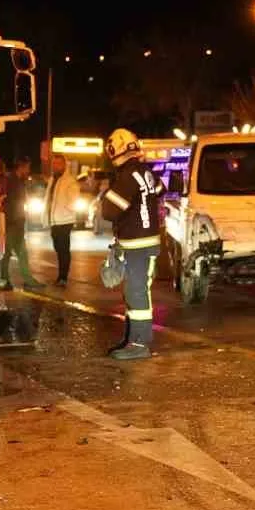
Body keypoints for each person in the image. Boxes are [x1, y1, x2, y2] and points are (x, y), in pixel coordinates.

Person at [100, 129, 164, 361]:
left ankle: (139, 343)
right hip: (141, 243)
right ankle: (131, 338)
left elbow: (109, 211)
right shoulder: (145, 172)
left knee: (137, 292)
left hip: (138, 244)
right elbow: (160, 190)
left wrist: (107, 195)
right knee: (133, 292)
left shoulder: (127, 176)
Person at [0, 158, 42, 291]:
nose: (28, 171)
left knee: (22, 253)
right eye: (27, 168)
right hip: (12, 222)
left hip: (17, 222)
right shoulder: (10, 181)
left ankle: (27, 280)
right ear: (21, 167)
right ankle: (4, 280)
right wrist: (11, 219)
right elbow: (5, 201)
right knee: (6, 253)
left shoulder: (18, 181)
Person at [43, 154, 82, 287]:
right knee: (58, 248)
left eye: (58, 163)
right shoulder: (52, 179)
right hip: (54, 220)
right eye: (54, 164)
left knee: (63, 249)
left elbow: (73, 200)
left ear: (64, 165)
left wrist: (67, 207)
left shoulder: (70, 181)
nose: (55, 166)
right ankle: (61, 276)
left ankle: (63, 278)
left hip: (65, 220)